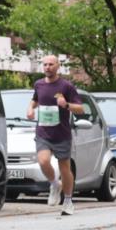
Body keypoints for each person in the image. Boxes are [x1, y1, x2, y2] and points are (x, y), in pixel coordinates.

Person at [26, 55, 85, 215]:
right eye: (45, 64)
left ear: (58, 66)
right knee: (43, 160)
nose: (47, 67)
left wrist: (66, 104)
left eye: (51, 64)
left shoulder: (66, 86)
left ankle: (67, 200)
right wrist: (31, 108)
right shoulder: (38, 84)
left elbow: (81, 109)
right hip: (43, 132)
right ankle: (54, 183)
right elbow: (35, 100)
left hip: (62, 133)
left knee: (64, 168)